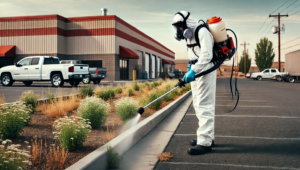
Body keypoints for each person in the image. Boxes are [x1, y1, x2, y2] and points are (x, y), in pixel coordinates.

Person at [172, 11, 216, 155]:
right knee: (197, 103)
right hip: (196, 69)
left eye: (179, 26)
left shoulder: (202, 31)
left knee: (204, 104)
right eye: (176, 27)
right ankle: (206, 136)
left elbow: (207, 55)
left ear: (186, 23)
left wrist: (194, 69)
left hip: (205, 69)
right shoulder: (189, 36)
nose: (178, 30)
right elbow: (194, 54)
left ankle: (205, 142)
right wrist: (190, 68)